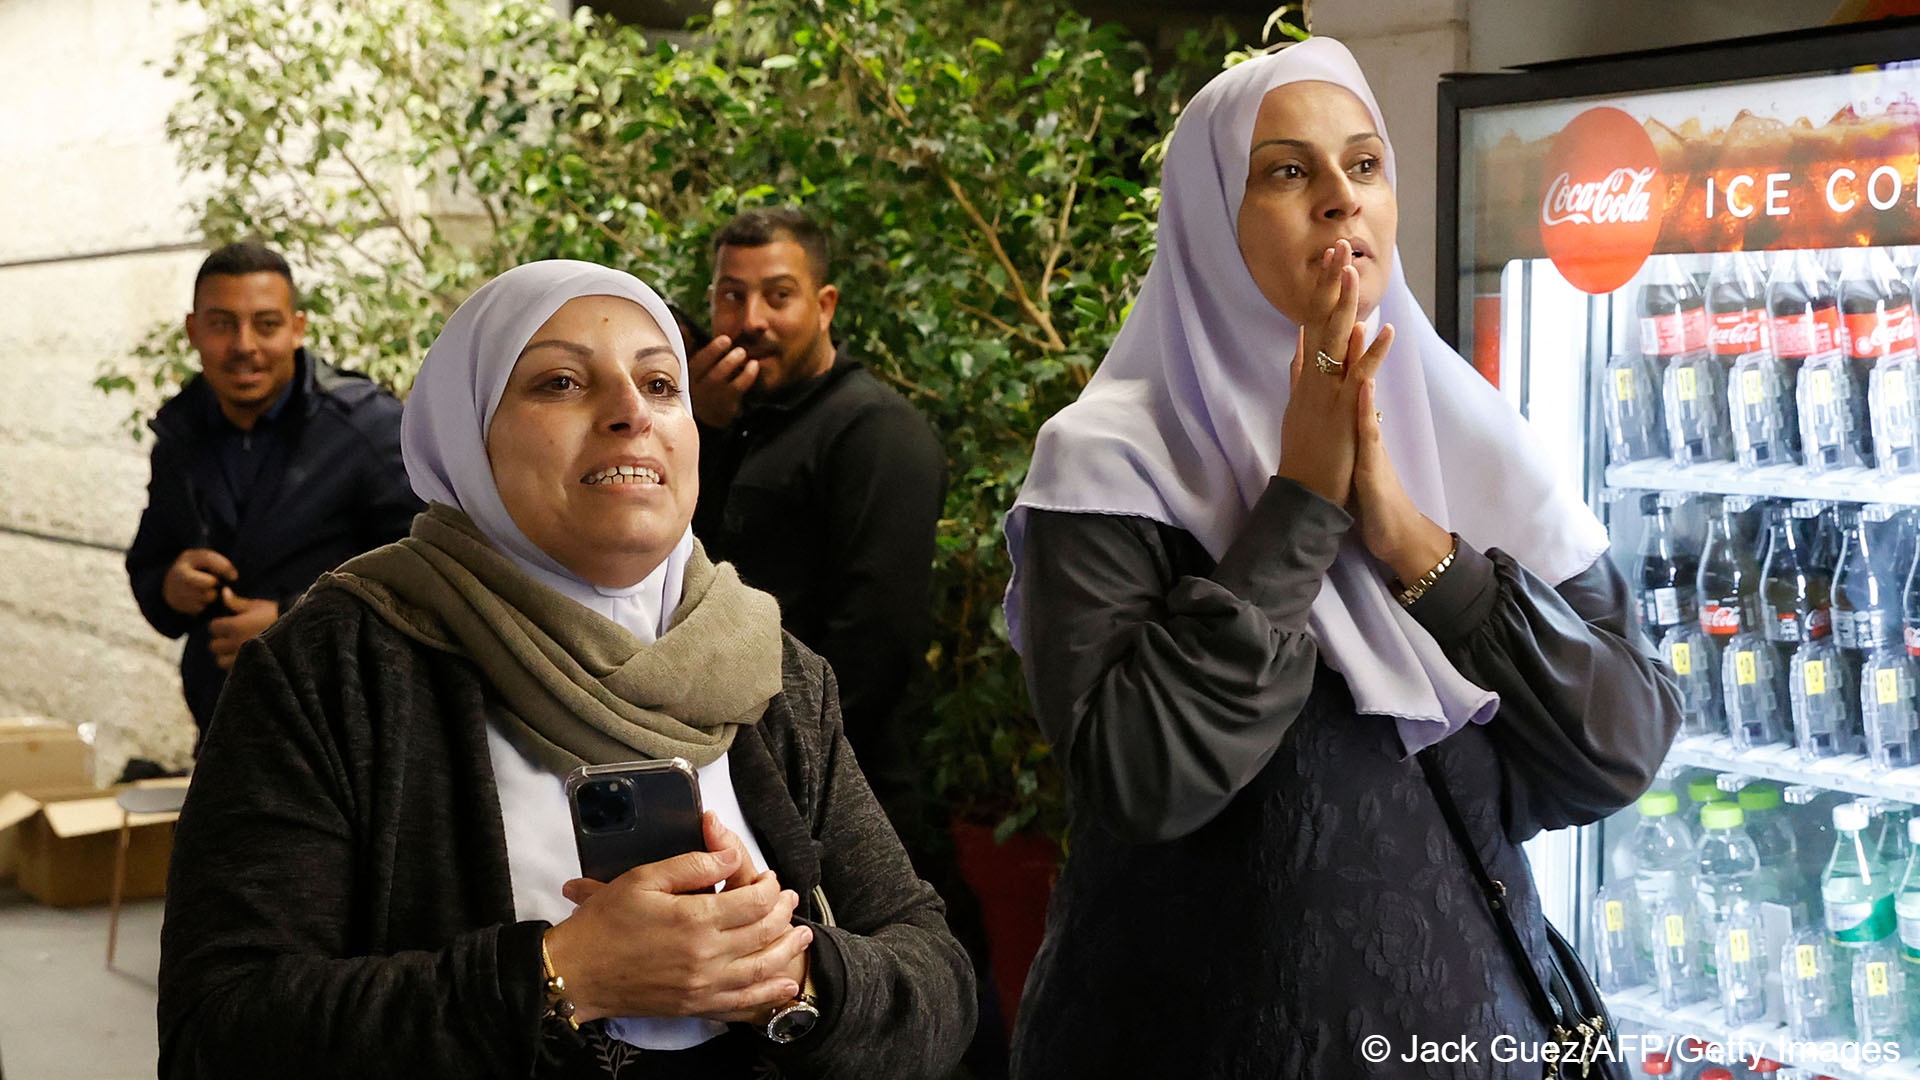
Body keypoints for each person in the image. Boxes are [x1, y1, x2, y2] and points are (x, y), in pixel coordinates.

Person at [1003, 38, 1682, 1079]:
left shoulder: (1466, 435)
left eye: (1365, 166)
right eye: (1286, 171)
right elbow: (1141, 782)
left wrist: (1419, 547)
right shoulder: (1108, 462)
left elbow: (1622, 745)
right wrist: (1304, 499)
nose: (1339, 200)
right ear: (1207, 221)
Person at [156, 261, 975, 1079]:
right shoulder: (334, 671)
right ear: (467, 434)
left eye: (661, 384)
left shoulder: (772, 673)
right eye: (560, 382)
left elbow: (937, 980)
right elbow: (220, 1029)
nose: (629, 413)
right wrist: (562, 976)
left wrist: (790, 976)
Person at [686, 209, 946, 848]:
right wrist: (704, 430)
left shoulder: (874, 432)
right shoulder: (726, 421)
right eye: (731, 296)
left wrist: (780, 771)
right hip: (735, 784)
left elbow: (874, 645)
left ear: (825, 306)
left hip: (852, 794)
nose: (752, 322)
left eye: (779, 296)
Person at [125, 241, 421, 744]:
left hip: (348, 735)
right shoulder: (180, 433)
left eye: (266, 324)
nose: (244, 345)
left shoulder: (368, 429)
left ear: (297, 329)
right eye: (221, 324)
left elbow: (424, 577)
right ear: (193, 330)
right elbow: (150, 558)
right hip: (224, 729)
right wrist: (169, 585)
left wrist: (291, 623)